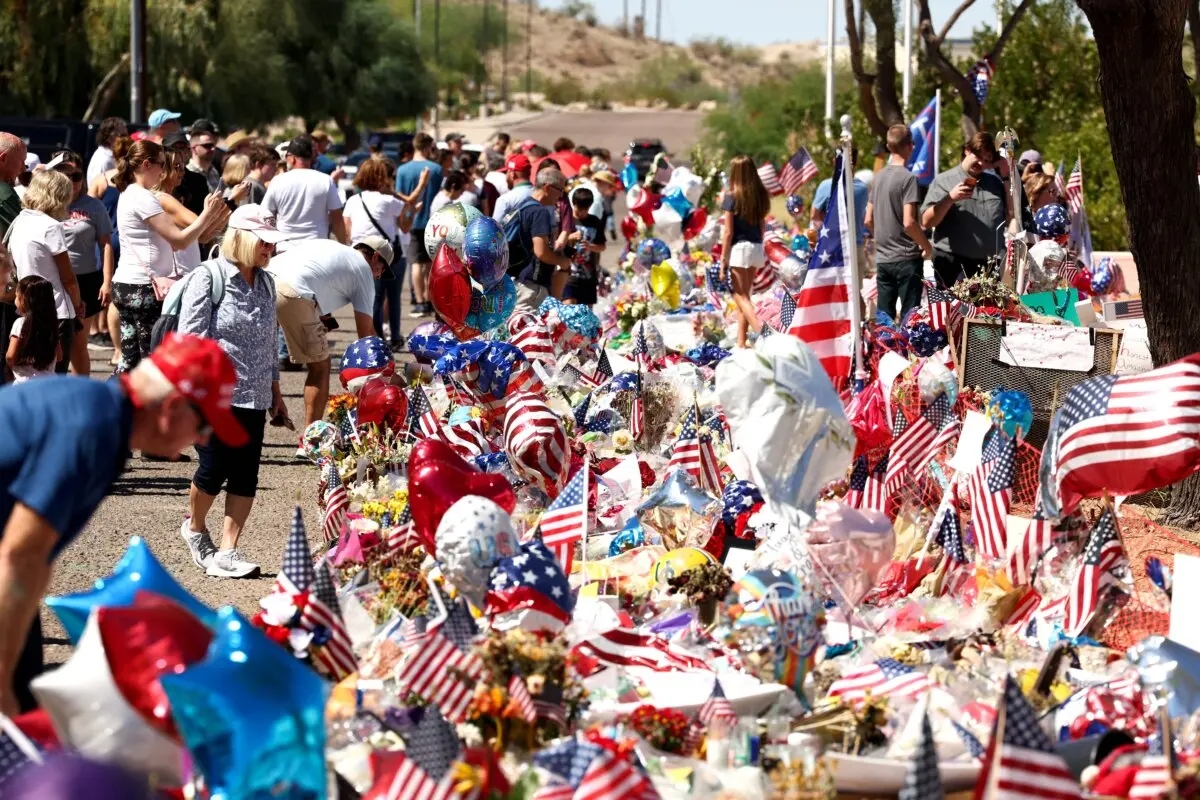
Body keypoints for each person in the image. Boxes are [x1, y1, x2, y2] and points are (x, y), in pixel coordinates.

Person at [0, 332, 246, 715]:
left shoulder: (104, 419)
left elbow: (36, 558)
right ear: (173, 406)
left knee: (26, 687)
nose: (202, 438)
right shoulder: (92, 428)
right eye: (205, 425)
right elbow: (20, 555)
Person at [178, 205, 290, 579]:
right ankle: (195, 528)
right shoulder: (208, 277)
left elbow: (269, 340)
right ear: (240, 238)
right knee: (213, 467)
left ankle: (228, 551)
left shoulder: (267, 282)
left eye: (272, 243)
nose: (269, 249)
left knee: (245, 474)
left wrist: (276, 391)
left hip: (255, 393)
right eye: (264, 241)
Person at [111, 138, 224, 372]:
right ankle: (137, 407)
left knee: (130, 362)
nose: (164, 171)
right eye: (162, 164)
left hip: (127, 284)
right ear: (146, 164)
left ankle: (114, 406)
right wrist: (207, 213)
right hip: (145, 290)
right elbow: (180, 240)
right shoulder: (144, 198)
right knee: (152, 363)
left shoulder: (128, 193)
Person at [268, 237, 389, 434]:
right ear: (375, 257)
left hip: (264, 280)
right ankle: (309, 439)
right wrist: (386, 364)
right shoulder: (363, 271)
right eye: (382, 270)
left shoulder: (332, 247)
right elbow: (365, 339)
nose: (378, 276)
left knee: (259, 356)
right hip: (293, 291)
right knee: (320, 366)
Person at [6, 170, 83, 373]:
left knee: (27, 372)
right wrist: (78, 304)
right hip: (56, 309)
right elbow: (68, 278)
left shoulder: (19, 221)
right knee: (55, 373)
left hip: (26, 308)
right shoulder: (51, 227)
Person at [50, 151, 115, 375]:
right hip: (53, 280)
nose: (71, 181)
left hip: (85, 281)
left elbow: (106, 244)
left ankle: (81, 394)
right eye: (64, 175)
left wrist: (107, 281)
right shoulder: (46, 204)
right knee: (53, 344)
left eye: (76, 176)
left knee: (78, 345)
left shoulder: (94, 207)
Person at [343, 158, 419, 350]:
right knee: (393, 299)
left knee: (372, 299)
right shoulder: (388, 201)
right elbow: (405, 225)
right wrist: (411, 211)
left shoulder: (353, 200)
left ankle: (375, 339)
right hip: (389, 254)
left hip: (360, 255)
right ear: (382, 177)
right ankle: (394, 338)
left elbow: (347, 232)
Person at [921, 131, 1008, 288]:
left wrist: (1006, 175)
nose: (980, 163)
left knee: (987, 312)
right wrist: (950, 198)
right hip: (952, 265)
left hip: (988, 266)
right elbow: (927, 221)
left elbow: (1012, 214)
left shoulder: (995, 184)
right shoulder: (943, 180)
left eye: (986, 160)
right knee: (952, 312)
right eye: (978, 156)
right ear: (967, 150)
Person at [866, 124, 934, 324]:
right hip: (906, 258)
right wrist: (926, 246)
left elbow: (867, 219)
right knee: (909, 319)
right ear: (910, 146)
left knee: (883, 319)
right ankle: (907, 355)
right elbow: (909, 222)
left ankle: (883, 354)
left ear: (888, 145)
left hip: (884, 258)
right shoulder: (908, 179)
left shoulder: (877, 179)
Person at [505, 167, 572, 312]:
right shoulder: (540, 212)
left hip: (518, 280)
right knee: (531, 332)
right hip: (531, 287)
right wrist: (563, 262)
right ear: (547, 187)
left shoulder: (525, 206)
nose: (561, 196)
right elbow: (541, 252)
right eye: (560, 190)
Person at [718, 154, 769, 349]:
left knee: (739, 296)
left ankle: (762, 334)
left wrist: (723, 260)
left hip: (739, 249)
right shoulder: (759, 194)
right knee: (745, 297)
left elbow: (729, 231)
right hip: (756, 247)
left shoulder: (731, 195)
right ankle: (741, 342)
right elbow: (763, 225)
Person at [263, 134, 346, 250]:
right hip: (316, 249)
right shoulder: (326, 181)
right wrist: (345, 246)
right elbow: (337, 220)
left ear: (291, 158)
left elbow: (266, 216)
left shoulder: (277, 181)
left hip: (285, 249)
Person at [394, 133, 442, 317]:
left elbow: (399, 197)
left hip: (412, 220)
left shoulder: (403, 170)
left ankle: (420, 300)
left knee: (415, 263)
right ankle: (431, 299)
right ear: (428, 147)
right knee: (431, 264)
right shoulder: (436, 169)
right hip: (434, 222)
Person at [811, 147, 870, 266]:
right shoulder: (863, 189)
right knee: (857, 285)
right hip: (856, 247)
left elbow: (814, 216)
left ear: (834, 161)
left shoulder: (826, 186)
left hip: (832, 249)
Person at [0, 133, 29, 361]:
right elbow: (25, 229)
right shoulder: (5, 194)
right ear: (3, 159)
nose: (23, 168)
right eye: (21, 161)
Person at [5, 276, 59, 383]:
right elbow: (60, 355)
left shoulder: (20, 323)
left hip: (25, 383)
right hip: (49, 381)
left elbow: (11, 356)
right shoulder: (52, 323)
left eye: (16, 297)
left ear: (23, 300)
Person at [562, 187, 605, 306]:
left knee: (586, 315)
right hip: (568, 275)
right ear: (573, 203)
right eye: (579, 209)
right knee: (569, 309)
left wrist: (590, 246)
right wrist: (570, 237)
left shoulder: (594, 222)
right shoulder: (566, 219)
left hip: (588, 277)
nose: (582, 213)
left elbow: (602, 246)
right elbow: (555, 242)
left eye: (585, 210)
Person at [492, 153, 534, 222]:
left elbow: (495, 228)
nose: (506, 176)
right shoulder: (541, 195)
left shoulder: (505, 200)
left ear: (512, 174)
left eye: (506, 172)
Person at [86, 117, 127, 186]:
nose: (126, 139)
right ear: (108, 137)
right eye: (122, 135)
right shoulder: (104, 160)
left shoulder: (110, 156)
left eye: (126, 135)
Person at [186, 119, 223, 194]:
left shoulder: (214, 171)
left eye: (213, 145)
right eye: (207, 146)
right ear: (194, 149)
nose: (212, 149)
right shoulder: (187, 174)